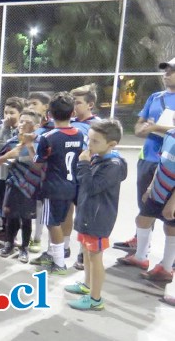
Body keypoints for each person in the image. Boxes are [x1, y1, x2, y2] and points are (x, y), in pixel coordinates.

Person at [65, 119, 127, 311]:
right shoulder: (98, 157)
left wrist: (83, 164)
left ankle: (95, 299)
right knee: (86, 251)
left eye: (95, 142)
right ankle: (87, 285)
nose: (89, 145)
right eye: (89, 140)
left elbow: (91, 186)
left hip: (98, 218)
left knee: (95, 256)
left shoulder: (113, 165)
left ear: (111, 144)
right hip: (87, 213)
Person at [114, 58, 175, 252]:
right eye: (166, 71)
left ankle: (168, 260)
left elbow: (153, 126)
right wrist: (141, 129)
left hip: (169, 163)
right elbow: (140, 124)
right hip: (147, 158)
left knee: (169, 213)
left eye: (171, 71)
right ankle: (141, 245)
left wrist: (156, 127)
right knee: (145, 203)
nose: (166, 74)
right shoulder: (155, 97)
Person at [29, 92, 84, 275]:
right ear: (73, 112)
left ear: (49, 115)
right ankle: (52, 254)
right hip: (71, 185)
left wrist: (29, 145)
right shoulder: (78, 134)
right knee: (59, 220)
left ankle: (59, 263)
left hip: (53, 186)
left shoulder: (49, 137)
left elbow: (37, 164)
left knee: (52, 224)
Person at [117, 119, 175, 283]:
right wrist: (151, 188)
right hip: (159, 189)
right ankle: (141, 257)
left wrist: (172, 203)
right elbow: (162, 163)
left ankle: (166, 268)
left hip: (172, 195)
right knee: (142, 220)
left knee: (170, 228)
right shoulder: (170, 134)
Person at [0, 109, 43, 263]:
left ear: (36, 126)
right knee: (10, 216)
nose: (21, 124)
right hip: (13, 184)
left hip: (30, 187)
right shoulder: (13, 142)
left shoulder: (40, 143)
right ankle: (9, 243)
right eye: (21, 121)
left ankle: (24, 248)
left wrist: (27, 148)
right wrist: (10, 155)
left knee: (26, 218)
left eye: (26, 122)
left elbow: (39, 166)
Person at [68, 83, 102, 270]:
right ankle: (64, 248)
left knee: (84, 216)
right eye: (72, 102)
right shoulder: (69, 123)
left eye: (78, 102)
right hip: (69, 175)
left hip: (86, 176)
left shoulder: (97, 126)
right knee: (68, 214)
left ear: (90, 104)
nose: (74, 106)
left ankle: (83, 254)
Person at [0, 97, 25, 238]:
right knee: (0, 201)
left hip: (15, 174)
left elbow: (19, 148)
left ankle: (13, 233)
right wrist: (7, 145)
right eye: (6, 112)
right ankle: (4, 228)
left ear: (20, 114)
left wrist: (6, 146)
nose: (8, 116)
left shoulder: (21, 130)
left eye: (12, 113)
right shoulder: (0, 128)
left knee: (12, 204)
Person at [26, 92, 51, 254]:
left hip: (44, 174)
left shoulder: (51, 127)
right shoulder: (26, 123)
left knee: (41, 206)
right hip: (26, 173)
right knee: (27, 205)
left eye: (34, 103)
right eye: (29, 103)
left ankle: (37, 237)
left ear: (46, 107)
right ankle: (26, 236)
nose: (30, 106)